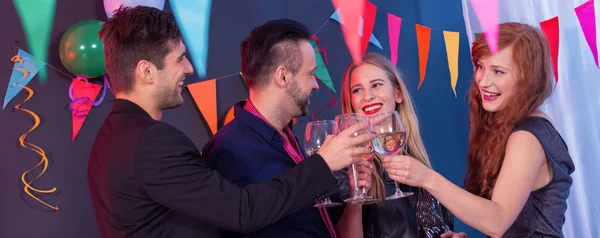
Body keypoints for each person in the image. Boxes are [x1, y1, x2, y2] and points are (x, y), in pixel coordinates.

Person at [87, 6, 374, 238]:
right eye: (180, 59)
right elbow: (242, 212)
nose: (188, 68)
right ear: (147, 72)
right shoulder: (153, 142)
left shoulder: (111, 139)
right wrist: (324, 163)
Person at [382, 22, 575, 237]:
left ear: (527, 79)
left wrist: (426, 178)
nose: (483, 80)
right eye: (481, 67)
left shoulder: (527, 136)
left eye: (498, 72)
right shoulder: (516, 125)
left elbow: (497, 221)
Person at [202, 19, 374, 238]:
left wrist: (354, 194)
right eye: (311, 74)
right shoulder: (228, 149)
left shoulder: (286, 137)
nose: (316, 84)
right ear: (283, 76)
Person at [332, 52, 460, 238]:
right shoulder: (345, 167)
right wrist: (356, 198)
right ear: (351, 102)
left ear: (398, 94)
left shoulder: (417, 162)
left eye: (376, 85)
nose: (367, 96)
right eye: (357, 90)